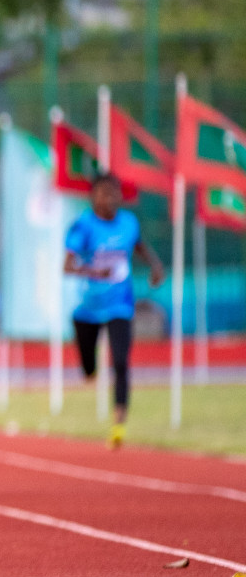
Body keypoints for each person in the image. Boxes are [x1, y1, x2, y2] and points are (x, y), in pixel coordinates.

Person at [64, 171, 165, 450]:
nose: (109, 199)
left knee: (121, 362)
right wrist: (95, 270)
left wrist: (156, 266)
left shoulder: (129, 223)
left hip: (120, 305)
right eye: (103, 193)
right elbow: (67, 266)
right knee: (89, 368)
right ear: (93, 196)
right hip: (88, 308)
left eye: (114, 193)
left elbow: (141, 247)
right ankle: (89, 367)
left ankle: (118, 423)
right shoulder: (83, 225)